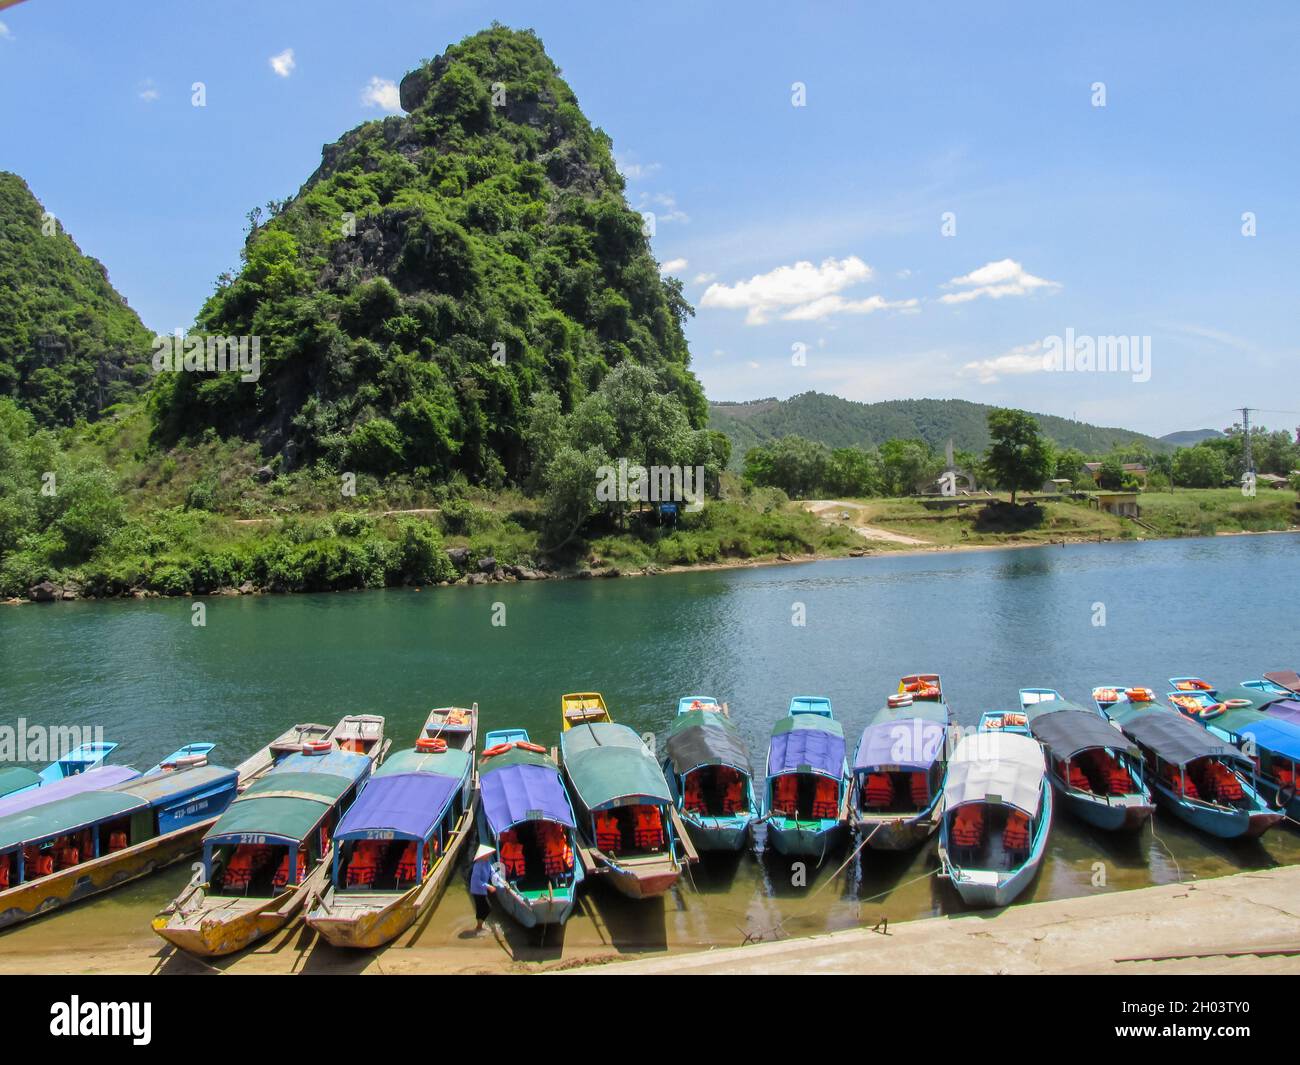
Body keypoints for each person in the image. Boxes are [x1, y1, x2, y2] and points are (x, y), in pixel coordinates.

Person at [469, 844, 497, 934]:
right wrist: (488, 886)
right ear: (483, 855)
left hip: (482, 888)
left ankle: (479, 926)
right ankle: (479, 926)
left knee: (481, 908)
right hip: (476, 889)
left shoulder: (487, 863)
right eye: (487, 854)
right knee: (487, 908)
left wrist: (500, 880)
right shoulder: (478, 865)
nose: (489, 855)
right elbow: (477, 880)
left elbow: (493, 873)